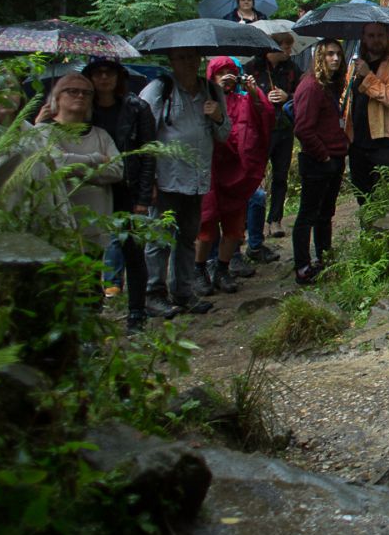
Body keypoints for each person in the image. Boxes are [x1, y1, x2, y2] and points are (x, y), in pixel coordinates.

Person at [140, 47, 230, 316]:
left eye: (192, 57)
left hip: (197, 178)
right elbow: (143, 133)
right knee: (159, 239)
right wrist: (148, 179)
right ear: (171, 61)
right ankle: (153, 294)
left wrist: (218, 117)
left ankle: (183, 292)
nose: (188, 63)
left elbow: (224, 134)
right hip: (166, 177)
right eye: (182, 57)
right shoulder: (159, 89)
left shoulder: (212, 91)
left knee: (188, 237)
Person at [82, 59, 157, 328]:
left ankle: (137, 312)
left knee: (133, 252)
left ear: (118, 77)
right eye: (98, 73)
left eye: (109, 73)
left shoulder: (136, 107)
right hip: (94, 188)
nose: (104, 78)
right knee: (90, 253)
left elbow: (148, 153)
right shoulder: (83, 109)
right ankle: (91, 311)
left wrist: (143, 197)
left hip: (129, 187)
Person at [195, 58, 274, 294]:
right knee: (206, 226)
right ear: (211, 78)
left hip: (237, 174)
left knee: (234, 227)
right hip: (210, 174)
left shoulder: (244, 101)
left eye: (231, 72)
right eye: (221, 74)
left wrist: (255, 92)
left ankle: (223, 268)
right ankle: (199, 270)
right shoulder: (203, 103)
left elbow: (265, 116)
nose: (227, 77)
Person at [37, 72, 123, 251]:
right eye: (72, 91)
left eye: (87, 92)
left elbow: (117, 170)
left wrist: (73, 166)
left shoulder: (101, 135)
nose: (80, 96)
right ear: (57, 96)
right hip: (59, 228)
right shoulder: (43, 131)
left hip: (96, 231)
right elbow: (57, 164)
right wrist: (97, 159)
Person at [293, 40, 348, 284]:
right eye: (329, 55)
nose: (335, 59)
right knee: (308, 214)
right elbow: (303, 128)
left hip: (334, 156)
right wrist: (323, 155)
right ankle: (302, 266)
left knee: (325, 213)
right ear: (319, 58)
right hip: (317, 160)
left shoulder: (330, 85)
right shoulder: (311, 86)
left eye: (338, 54)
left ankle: (324, 258)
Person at [342, 21, 389, 205]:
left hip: (385, 142)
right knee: (363, 198)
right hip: (358, 142)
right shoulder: (355, 66)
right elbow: (347, 98)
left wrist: (368, 76)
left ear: (388, 37)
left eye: (380, 35)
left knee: (384, 199)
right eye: (371, 36)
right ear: (363, 38)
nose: (376, 40)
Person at [245, 32, 300, 258]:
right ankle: (250, 223)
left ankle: (275, 219)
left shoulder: (292, 69)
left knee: (280, 174)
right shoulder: (253, 68)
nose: (288, 49)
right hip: (260, 129)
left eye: (289, 45)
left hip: (284, 128)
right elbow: (241, 95)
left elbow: (302, 93)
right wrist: (260, 98)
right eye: (285, 45)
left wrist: (288, 96)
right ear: (272, 46)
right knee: (253, 176)